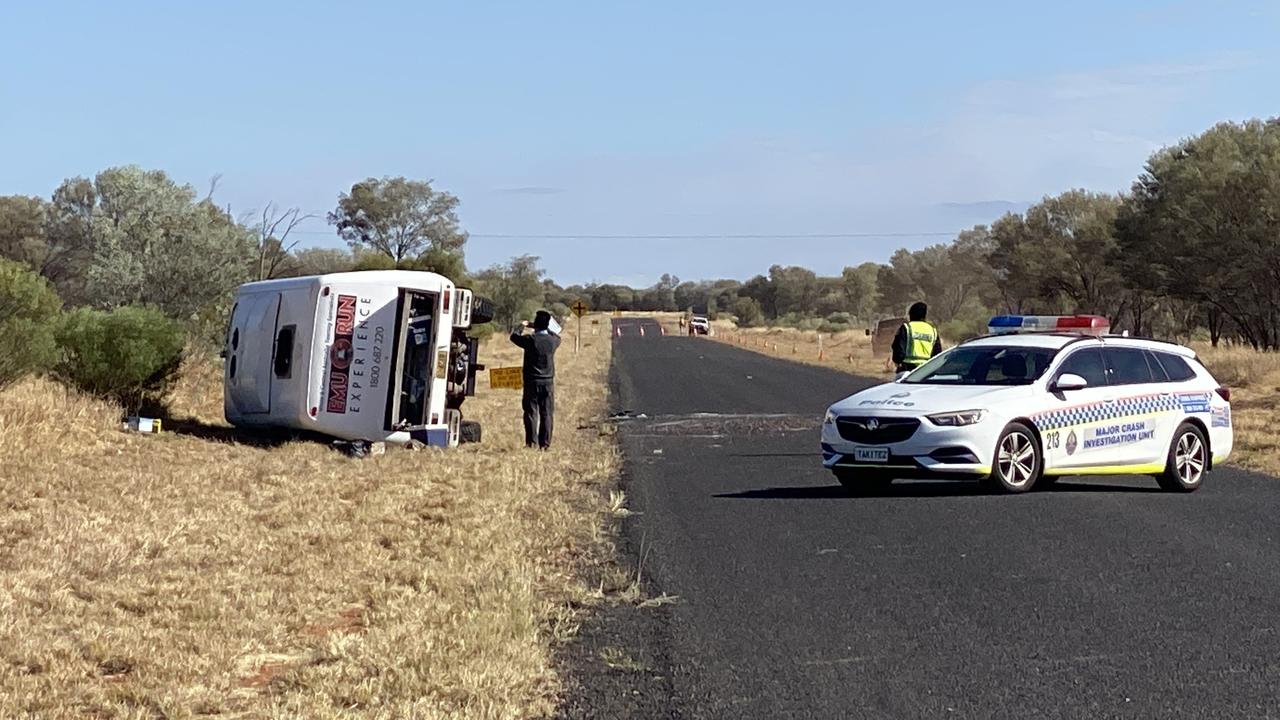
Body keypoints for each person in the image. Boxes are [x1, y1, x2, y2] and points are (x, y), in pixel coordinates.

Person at [510, 310, 561, 450]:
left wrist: (523, 325)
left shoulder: (530, 340)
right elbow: (556, 335)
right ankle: (545, 444)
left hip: (532, 381)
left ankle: (531, 443)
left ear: (536, 325)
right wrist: (540, 327)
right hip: (548, 381)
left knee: (531, 412)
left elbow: (514, 337)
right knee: (547, 413)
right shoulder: (553, 341)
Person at [891, 301, 941, 373]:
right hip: (926, 371)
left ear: (911, 314)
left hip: (907, 369)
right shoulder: (932, 330)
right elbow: (937, 353)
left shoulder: (907, 327)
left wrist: (897, 361)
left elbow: (898, 348)